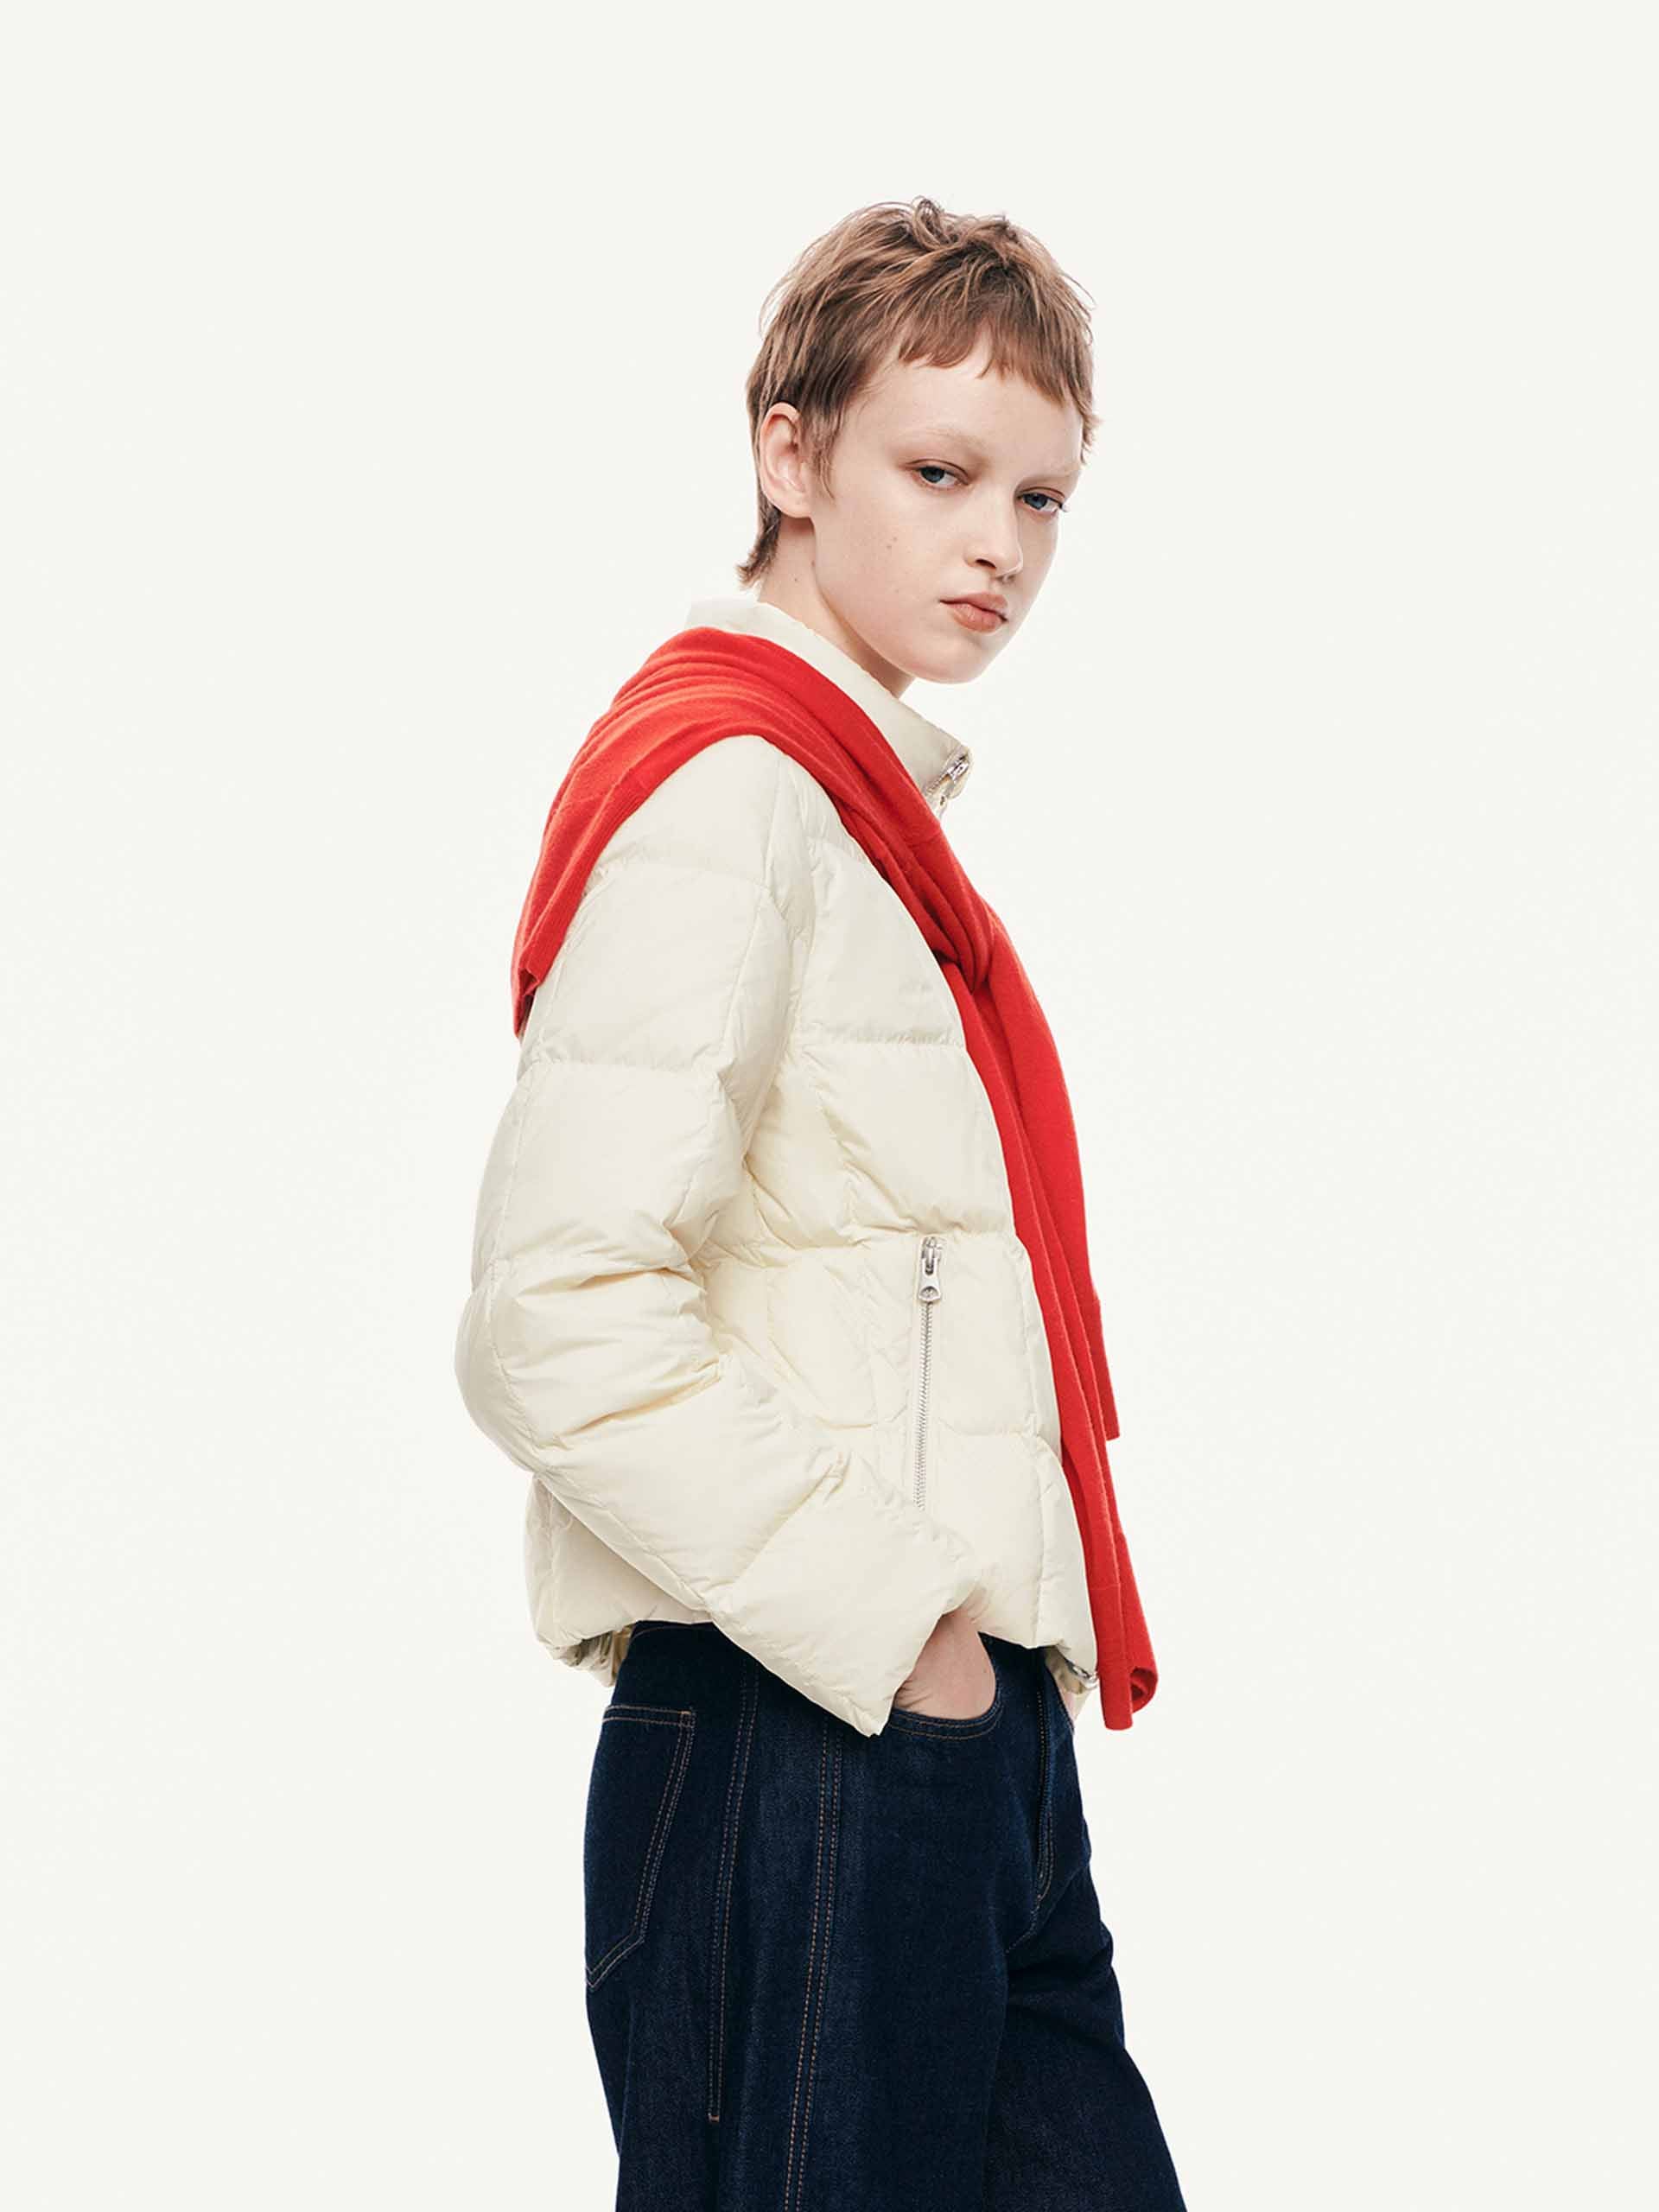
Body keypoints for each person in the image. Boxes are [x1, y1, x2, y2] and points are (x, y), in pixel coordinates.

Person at [454, 195, 1187, 2210]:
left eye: (1042, 496)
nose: (1000, 545)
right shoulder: (732, 792)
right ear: (791, 454)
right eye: (939, 473)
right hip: (814, 1721)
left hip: (956, 1743)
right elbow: (554, 1314)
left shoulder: (862, 823)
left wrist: (968, 1686)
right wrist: (904, 1625)